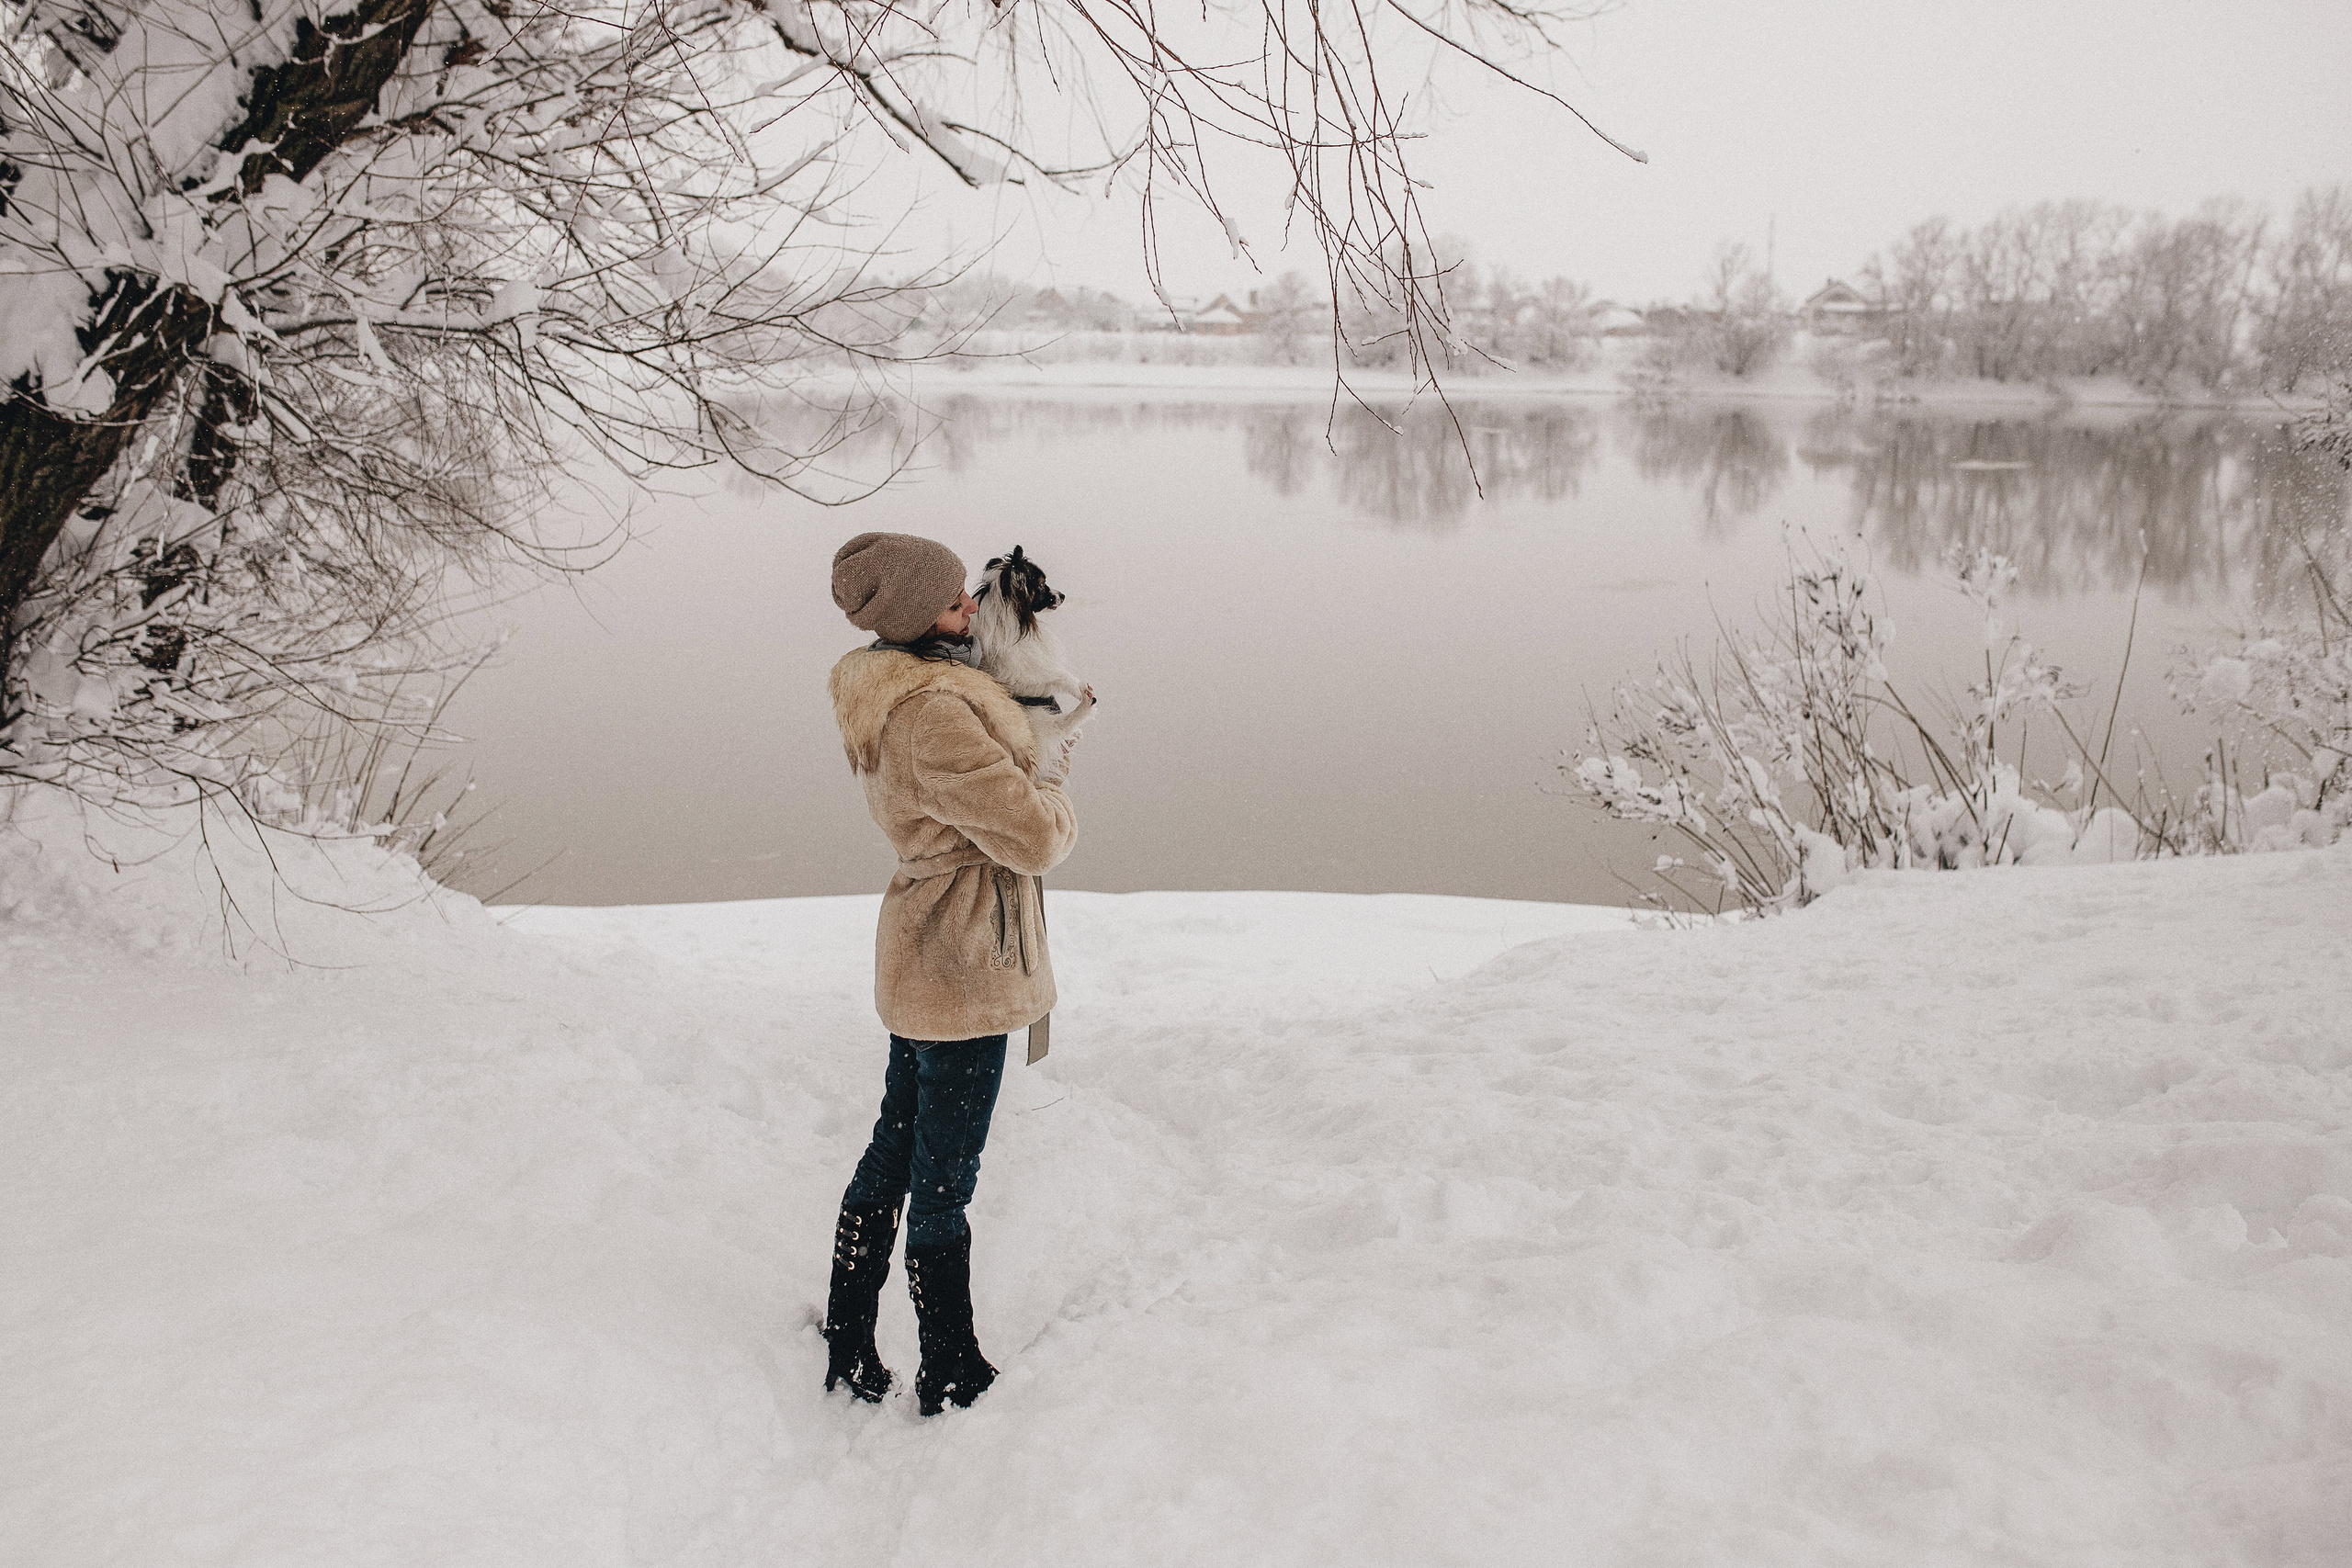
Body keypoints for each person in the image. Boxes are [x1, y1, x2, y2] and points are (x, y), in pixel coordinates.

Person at [820, 531, 1079, 1416]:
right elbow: (1036, 836)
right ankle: (949, 1362)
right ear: (910, 617)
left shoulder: (898, 690)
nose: (972, 603)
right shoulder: (932, 713)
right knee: (941, 1175)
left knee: (900, 1141)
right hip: (963, 965)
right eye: (953, 598)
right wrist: (1053, 774)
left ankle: (849, 1330)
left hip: (928, 953)